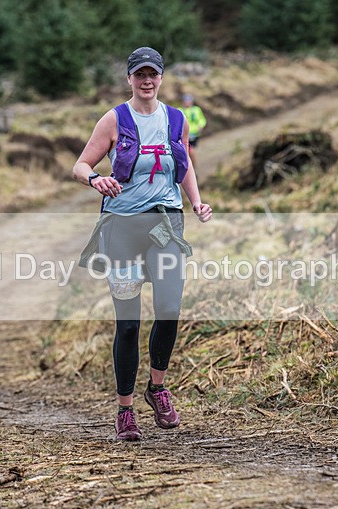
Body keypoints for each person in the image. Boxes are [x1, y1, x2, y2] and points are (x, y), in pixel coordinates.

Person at [73, 47, 213, 441]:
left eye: (153, 74)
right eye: (140, 75)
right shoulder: (114, 119)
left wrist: (197, 202)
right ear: (130, 78)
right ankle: (125, 410)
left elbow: (183, 165)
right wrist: (94, 179)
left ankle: (157, 388)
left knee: (169, 309)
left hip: (166, 225)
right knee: (129, 323)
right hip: (122, 229)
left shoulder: (177, 119)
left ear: (161, 78)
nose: (147, 81)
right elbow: (80, 165)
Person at [180, 94, 207, 169]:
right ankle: (189, 168)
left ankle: (192, 168)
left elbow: (202, 119)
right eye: (186, 101)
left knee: (191, 151)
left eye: (189, 101)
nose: (187, 102)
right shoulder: (180, 110)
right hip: (184, 135)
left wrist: (201, 125)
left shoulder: (196, 110)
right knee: (187, 152)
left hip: (194, 134)